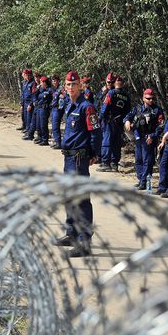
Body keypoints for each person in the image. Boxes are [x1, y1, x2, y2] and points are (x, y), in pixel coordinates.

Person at [55, 71, 100, 258]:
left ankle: (84, 241)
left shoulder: (87, 107)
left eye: (74, 84)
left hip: (80, 159)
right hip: (69, 158)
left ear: (80, 85)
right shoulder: (69, 105)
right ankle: (72, 233)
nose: (71, 87)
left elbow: (96, 132)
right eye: (68, 85)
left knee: (81, 200)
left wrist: (94, 153)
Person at [124, 88, 165, 190]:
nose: (150, 100)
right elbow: (128, 116)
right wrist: (127, 121)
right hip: (138, 137)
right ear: (143, 98)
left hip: (149, 138)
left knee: (147, 161)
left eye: (152, 98)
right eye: (148, 98)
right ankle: (140, 179)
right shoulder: (138, 108)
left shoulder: (157, 110)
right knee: (138, 159)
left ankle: (145, 182)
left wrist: (153, 135)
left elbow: (161, 126)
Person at [99, 75, 131, 172]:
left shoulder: (111, 93)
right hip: (120, 122)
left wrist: (100, 118)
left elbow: (105, 107)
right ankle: (114, 164)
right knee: (116, 143)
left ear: (115, 83)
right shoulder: (126, 96)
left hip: (109, 121)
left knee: (106, 141)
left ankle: (106, 163)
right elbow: (128, 111)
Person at [31, 76, 52, 145]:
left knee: (43, 125)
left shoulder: (49, 90)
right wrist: (37, 90)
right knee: (38, 124)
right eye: (40, 82)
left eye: (42, 82)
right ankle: (40, 137)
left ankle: (45, 139)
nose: (40, 84)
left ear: (45, 83)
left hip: (44, 109)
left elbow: (49, 98)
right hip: (38, 108)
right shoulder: (39, 89)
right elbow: (34, 96)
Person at [17, 69, 37, 135]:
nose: (27, 77)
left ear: (31, 76)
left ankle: (29, 131)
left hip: (29, 103)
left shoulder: (33, 83)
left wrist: (30, 104)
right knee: (24, 117)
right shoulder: (24, 83)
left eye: (29, 75)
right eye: (26, 75)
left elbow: (33, 95)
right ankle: (25, 128)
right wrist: (21, 104)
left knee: (29, 118)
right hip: (24, 103)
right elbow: (23, 94)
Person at [50, 74, 66, 149]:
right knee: (53, 126)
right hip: (53, 108)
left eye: (55, 80)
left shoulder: (61, 88)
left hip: (58, 109)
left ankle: (58, 143)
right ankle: (57, 141)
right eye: (53, 80)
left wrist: (63, 96)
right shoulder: (53, 89)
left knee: (56, 126)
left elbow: (64, 97)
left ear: (58, 81)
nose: (54, 82)